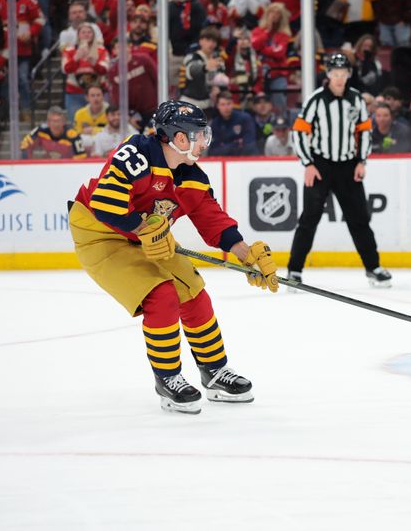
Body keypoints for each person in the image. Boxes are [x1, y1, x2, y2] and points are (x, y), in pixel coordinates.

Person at [67, 100, 279, 414]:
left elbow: (212, 219)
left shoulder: (191, 175)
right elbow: (105, 203)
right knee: (161, 296)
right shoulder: (136, 153)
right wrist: (143, 228)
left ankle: (215, 371)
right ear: (177, 137)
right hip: (101, 236)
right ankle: (168, 378)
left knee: (194, 292)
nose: (203, 141)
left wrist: (246, 255)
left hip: (148, 237)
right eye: (197, 134)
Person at [289, 53, 391, 287]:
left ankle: (373, 267)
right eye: (334, 74)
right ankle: (294, 270)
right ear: (328, 75)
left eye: (342, 74)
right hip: (320, 166)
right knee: (309, 218)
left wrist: (361, 161)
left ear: (348, 75)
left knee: (359, 218)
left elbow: (365, 131)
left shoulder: (356, 100)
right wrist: (308, 163)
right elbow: (299, 131)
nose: (338, 78)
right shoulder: (315, 99)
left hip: (348, 166)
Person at [61, 22, 110, 122]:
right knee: (75, 123)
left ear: (94, 35)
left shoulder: (101, 50)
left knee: (102, 123)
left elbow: (104, 70)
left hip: (98, 93)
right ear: (78, 35)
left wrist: (93, 62)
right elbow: (65, 69)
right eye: (83, 32)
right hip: (75, 93)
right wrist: (76, 58)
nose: (86, 34)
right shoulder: (69, 51)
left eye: (89, 32)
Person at [179, 26, 227, 111]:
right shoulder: (192, 57)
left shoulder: (217, 58)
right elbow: (192, 70)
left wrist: (218, 88)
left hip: (208, 104)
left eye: (214, 41)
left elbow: (221, 78)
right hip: (190, 104)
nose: (211, 44)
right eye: (208, 40)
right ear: (200, 41)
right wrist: (204, 67)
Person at [21, 106, 87, 160]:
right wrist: (29, 164)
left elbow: (81, 156)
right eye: (53, 121)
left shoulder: (73, 135)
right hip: (46, 167)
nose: (56, 125)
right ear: (48, 123)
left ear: (64, 122)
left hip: (67, 167)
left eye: (58, 121)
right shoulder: (40, 131)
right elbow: (25, 145)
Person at [208, 91, 259, 156]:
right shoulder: (215, 123)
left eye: (228, 104)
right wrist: (236, 143)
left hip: (244, 158)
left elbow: (250, 142)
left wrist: (225, 145)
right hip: (224, 159)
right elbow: (213, 149)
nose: (226, 107)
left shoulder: (245, 118)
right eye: (223, 104)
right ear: (218, 106)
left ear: (233, 104)